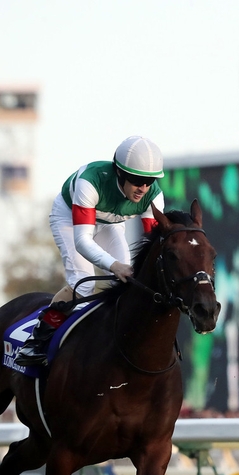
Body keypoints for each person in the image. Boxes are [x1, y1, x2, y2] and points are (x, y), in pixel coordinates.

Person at [15, 135, 165, 367]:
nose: (143, 188)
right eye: (137, 180)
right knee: (84, 282)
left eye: (149, 181)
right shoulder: (91, 181)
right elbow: (83, 242)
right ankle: (36, 342)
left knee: (130, 283)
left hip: (108, 223)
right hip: (70, 219)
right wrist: (114, 266)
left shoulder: (153, 196)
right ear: (120, 173)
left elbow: (155, 244)